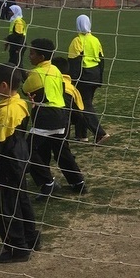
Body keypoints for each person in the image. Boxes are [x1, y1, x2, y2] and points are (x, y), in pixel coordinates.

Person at [0, 63, 41, 263]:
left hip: (8, 162)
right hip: (21, 158)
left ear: (4, 85)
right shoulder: (21, 103)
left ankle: (17, 248)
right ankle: (31, 237)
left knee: (4, 206)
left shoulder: (5, 113)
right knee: (21, 200)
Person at [22, 38, 87, 199]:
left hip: (46, 115)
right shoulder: (56, 70)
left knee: (28, 149)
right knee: (61, 151)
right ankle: (78, 182)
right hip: (61, 115)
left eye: (32, 53)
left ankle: (47, 182)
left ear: (41, 57)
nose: (29, 56)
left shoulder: (36, 73)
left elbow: (25, 89)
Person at [67, 15, 109, 144]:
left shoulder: (77, 41)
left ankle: (100, 133)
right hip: (95, 75)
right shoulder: (95, 40)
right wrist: (100, 78)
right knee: (82, 104)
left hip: (83, 76)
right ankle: (81, 135)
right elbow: (102, 60)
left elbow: (74, 62)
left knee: (84, 106)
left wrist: (73, 80)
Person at [51, 55, 86, 141]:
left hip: (54, 119)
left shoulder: (51, 83)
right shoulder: (72, 88)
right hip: (69, 119)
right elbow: (80, 107)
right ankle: (82, 135)